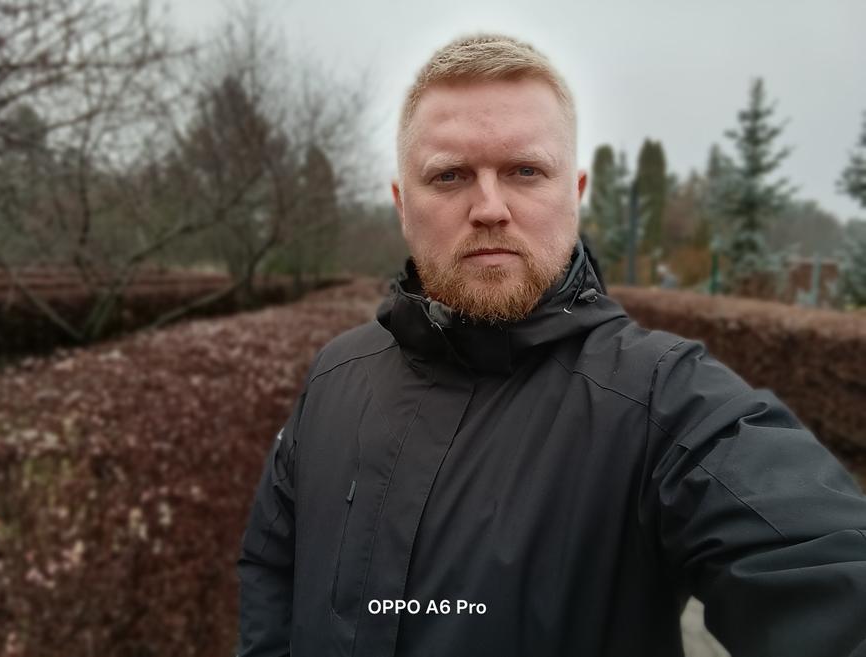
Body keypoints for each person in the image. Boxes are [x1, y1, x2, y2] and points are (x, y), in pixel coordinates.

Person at [236, 34, 866, 657]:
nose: (490, 208)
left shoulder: (665, 403)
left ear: (576, 193)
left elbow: (824, 569)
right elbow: (271, 568)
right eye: (450, 175)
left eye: (525, 171)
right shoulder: (336, 375)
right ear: (402, 204)